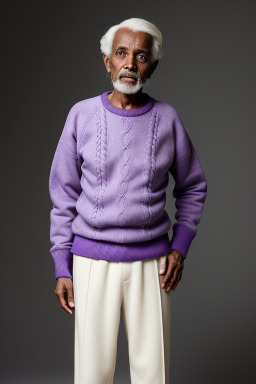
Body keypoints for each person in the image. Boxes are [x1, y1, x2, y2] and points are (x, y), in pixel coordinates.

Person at [49, 17, 207, 384]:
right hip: (89, 261)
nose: (130, 64)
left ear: (151, 66)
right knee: (92, 375)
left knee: (153, 374)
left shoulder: (167, 120)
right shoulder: (81, 115)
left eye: (140, 56)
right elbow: (63, 193)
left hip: (152, 264)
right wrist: (62, 261)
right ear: (107, 60)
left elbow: (193, 186)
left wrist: (179, 248)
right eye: (121, 53)